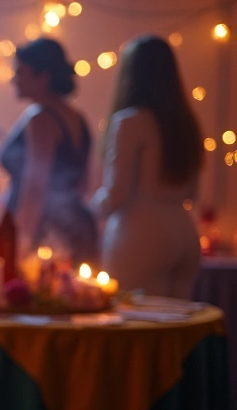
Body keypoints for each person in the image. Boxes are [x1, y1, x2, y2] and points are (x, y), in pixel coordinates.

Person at [92, 36, 203, 298]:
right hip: (184, 233)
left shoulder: (130, 122)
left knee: (134, 324)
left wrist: (88, 209)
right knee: (176, 330)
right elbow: (192, 193)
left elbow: (116, 196)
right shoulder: (186, 124)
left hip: (139, 235)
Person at [0, 38, 97, 262]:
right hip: (76, 226)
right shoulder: (77, 117)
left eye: (21, 72)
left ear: (43, 77)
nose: (14, 80)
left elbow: (35, 187)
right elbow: (82, 184)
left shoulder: (40, 119)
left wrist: (21, 242)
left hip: (45, 231)